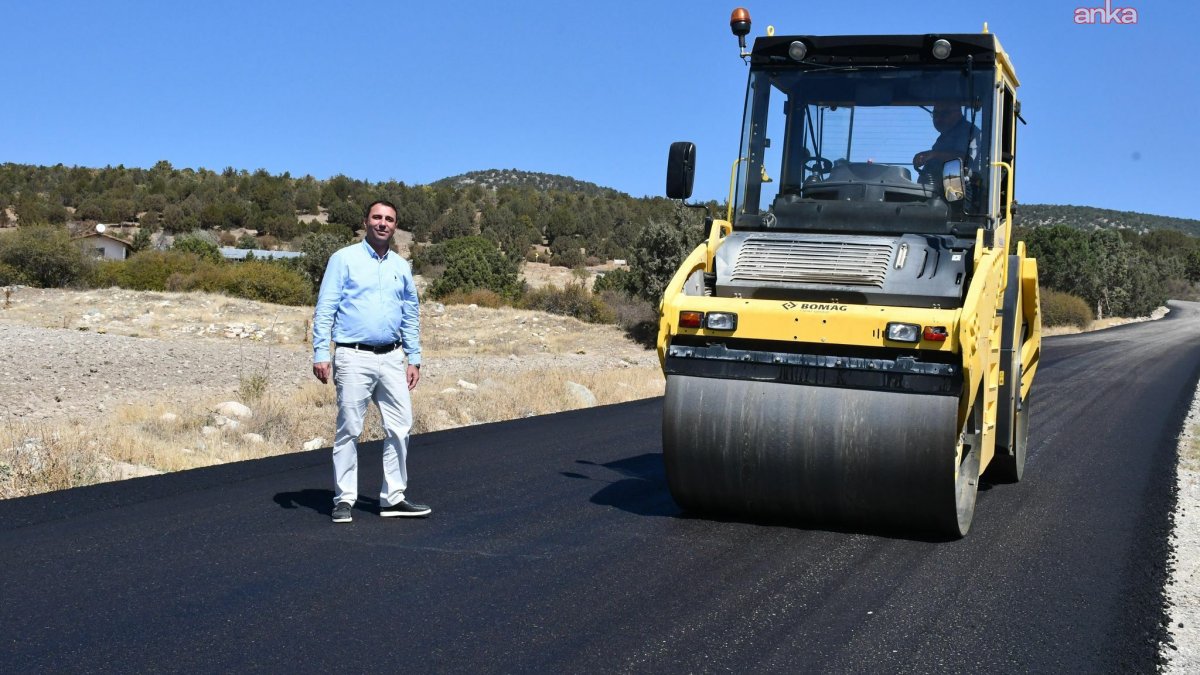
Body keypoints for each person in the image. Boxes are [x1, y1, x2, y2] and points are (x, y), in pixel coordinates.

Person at [312, 200, 428, 524]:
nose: (382, 223)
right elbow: (325, 309)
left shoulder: (401, 267)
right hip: (353, 355)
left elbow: (410, 314)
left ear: (395, 226)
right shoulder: (343, 259)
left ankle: (393, 498)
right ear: (366, 221)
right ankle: (344, 498)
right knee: (349, 427)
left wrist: (414, 358)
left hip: (392, 357)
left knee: (401, 426)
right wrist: (321, 352)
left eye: (389, 219)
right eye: (377, 217)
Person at [912, 103, 980, 176]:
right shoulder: (945, 136)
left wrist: (933, 154)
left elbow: (966, 160)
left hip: (959, 186)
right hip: (935, 186)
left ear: (957, 113)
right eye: (935, 114)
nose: (938, 118)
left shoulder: (968, 131)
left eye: (944, 113)